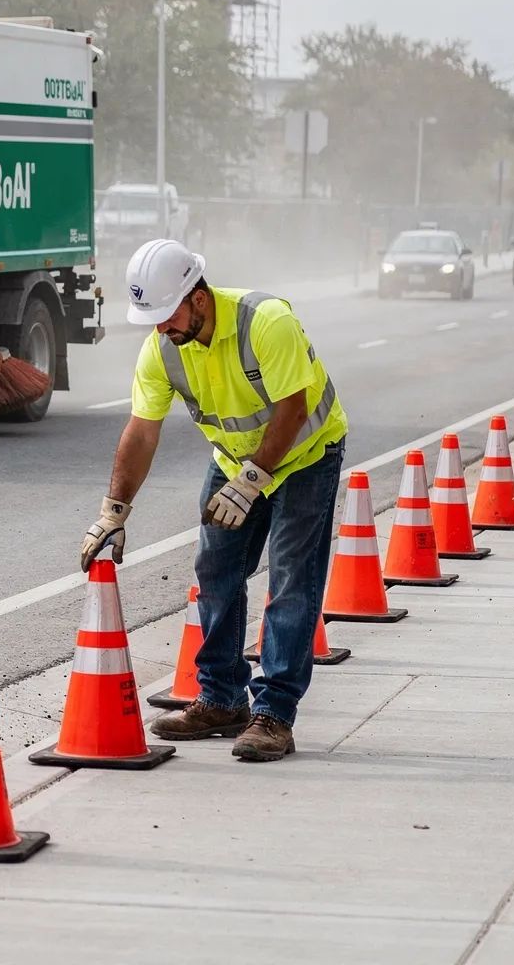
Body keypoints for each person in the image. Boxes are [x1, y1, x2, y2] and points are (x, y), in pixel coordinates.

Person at [79, 240, 348, 762]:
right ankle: (222, 698)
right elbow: (142, 431)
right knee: (216, 570)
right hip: (234, 462)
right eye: (152, 318)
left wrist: (252, 481)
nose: (161, 328)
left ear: (198, 297)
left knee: (292, 577)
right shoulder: (162, 349)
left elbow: (292, 410)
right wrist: (114, 511)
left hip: (306, 455)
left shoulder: (266, 323)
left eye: (166, 315)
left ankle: (275, 714)